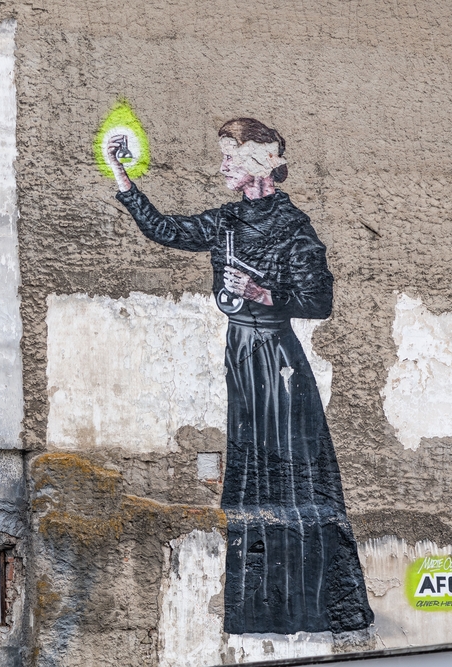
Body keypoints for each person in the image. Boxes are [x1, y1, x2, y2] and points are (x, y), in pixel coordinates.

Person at [104, 118, 374, 635]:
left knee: (290, 476)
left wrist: (263, 295)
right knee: (250, 476)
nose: (223, 164)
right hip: (242, 355)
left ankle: (308, 607)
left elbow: (319, 301)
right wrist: (121, 174)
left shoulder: (294, 226)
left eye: (233, 154)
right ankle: (257, 609)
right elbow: (168, 230)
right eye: (224, 153)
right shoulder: (227, 221)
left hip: (277, 360)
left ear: (264, 162)